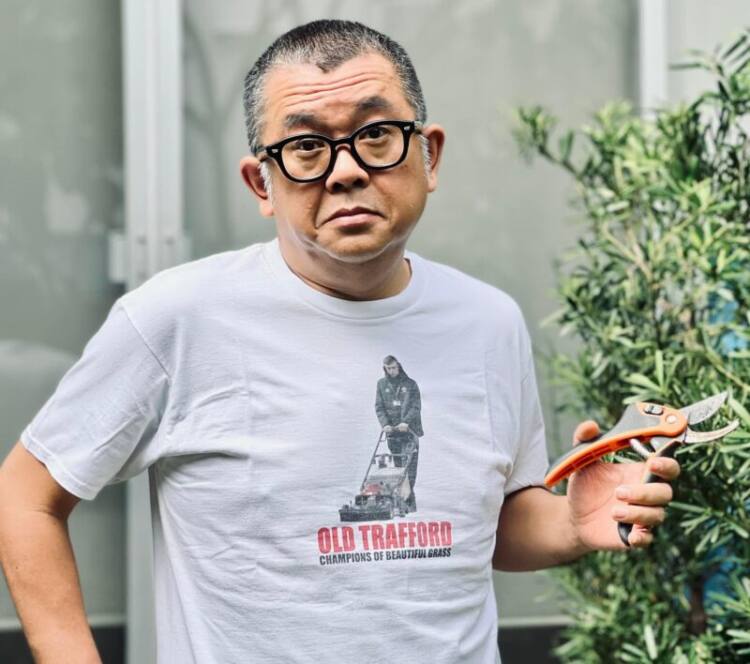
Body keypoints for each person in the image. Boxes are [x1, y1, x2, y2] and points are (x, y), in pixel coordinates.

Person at [0, 19, 680, 664]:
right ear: (261, 183)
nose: (346, 170)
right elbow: (25, 497)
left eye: (376, 134)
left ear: (429, 155)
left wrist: (571, 524)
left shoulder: (488, 321)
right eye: (305, 147)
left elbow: (482, 525)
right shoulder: (176, 320)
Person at [375, 355, 423, 510]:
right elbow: (379, 407)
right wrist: (385, 424)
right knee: (398, 468)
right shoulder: (381, 384)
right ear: (385, 368)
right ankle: (404, 502)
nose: (391, 371)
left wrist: (406, 422)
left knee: (409, 468)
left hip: (409, 432)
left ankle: (409, 502)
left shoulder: (410, 384)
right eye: (388, 368)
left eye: (394, 368)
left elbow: (416, 406)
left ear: (399, 366)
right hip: (393, 433)